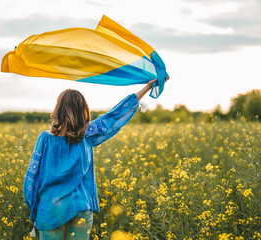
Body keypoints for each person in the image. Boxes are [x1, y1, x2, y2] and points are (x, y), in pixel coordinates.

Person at [24, 78, 166, 239]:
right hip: (81, 208)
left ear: (58, 109)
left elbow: (32, 178)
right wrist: (147, 87)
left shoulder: (44, 139)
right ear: (82, 110)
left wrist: (34, 208)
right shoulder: (87, 134)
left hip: (50, 210)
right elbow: (115, 115)